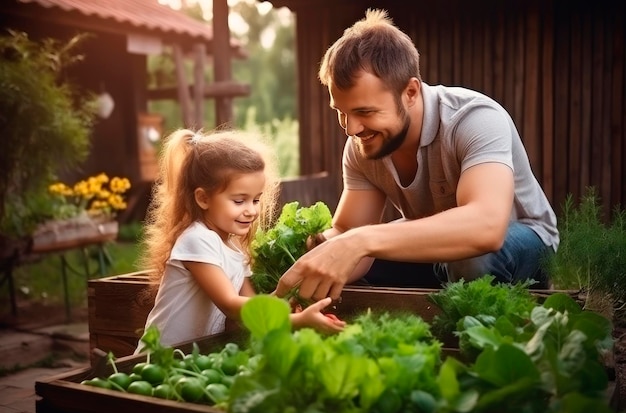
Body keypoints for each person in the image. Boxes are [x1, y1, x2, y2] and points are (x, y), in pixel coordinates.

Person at [275, 9, 559, 302]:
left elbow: (486, 227)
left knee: (472, 257)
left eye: (365, 112)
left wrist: (361, 240)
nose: (351, 129)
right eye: (341, 112)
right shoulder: (364, 145)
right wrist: (313, 253)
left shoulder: (475, 118)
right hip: (435, 252)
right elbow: (348, 230)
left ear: (410, 92)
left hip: (521, 243)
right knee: (343, 261)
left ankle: (477, 340)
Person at [135, 128, 344, 351]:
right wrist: (295, 322)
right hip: (156, 358)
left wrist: (289, 300)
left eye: (256, 200)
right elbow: (232, 306)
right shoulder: (197, 239)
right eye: (239, 201)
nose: (251, 211)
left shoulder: (234, 248)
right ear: (203, 198)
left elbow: (252, 305)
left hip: (191, 359)